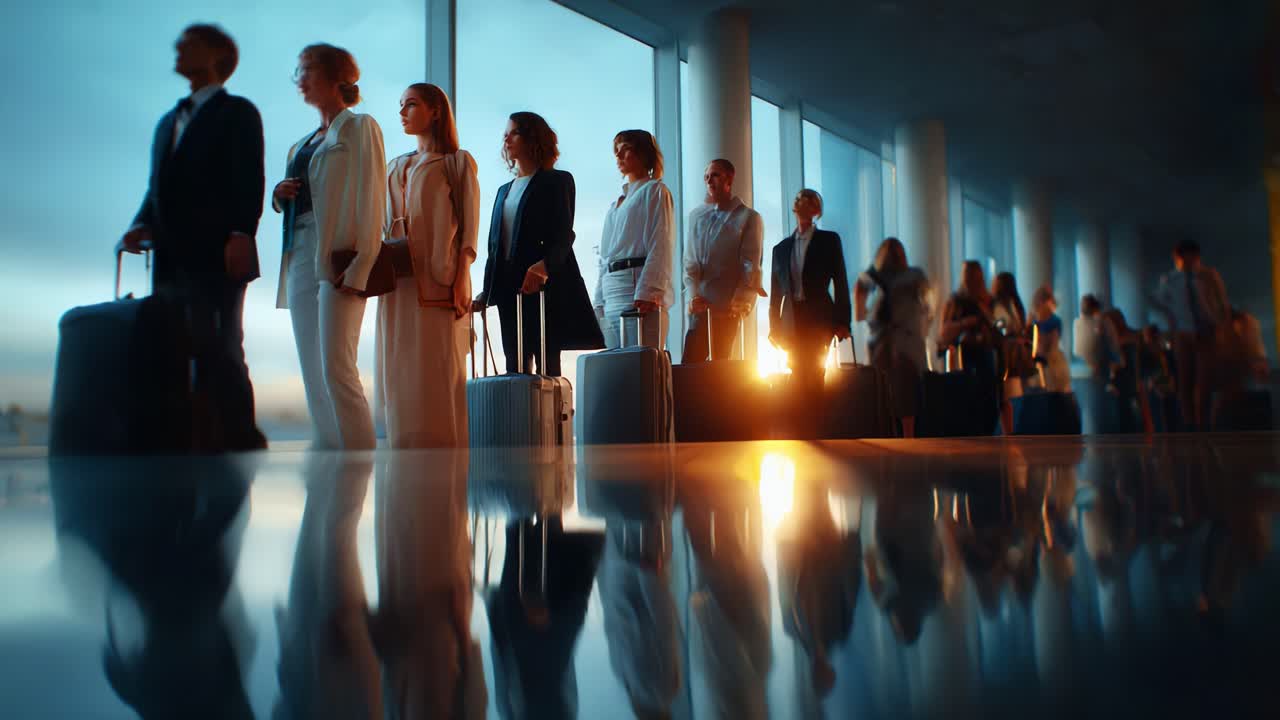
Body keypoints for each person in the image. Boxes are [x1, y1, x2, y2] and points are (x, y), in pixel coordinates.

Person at [118, 24, 267, 450]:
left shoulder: (238, 111)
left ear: (218, 55)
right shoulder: (168, 121)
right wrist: (139, 222)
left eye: (190, 42)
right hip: (169, 251)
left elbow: (248, 177)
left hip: (218, 250)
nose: (178, 47)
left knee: (220, 343)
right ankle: (181, 438)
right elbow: (157, 186)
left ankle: (241, 441)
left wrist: (241, 234)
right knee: (171, 343)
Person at [272, 44, 385, 450]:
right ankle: (328, 456)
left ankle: (357, 459)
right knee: (312, 366)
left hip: (338, 251)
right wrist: (279, 194)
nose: (300, 78)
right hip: (300, 248)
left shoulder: (358, 127)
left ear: (336, 76)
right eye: (297, 71)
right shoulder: (303, 141)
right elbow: (307, 191)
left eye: (308, 70)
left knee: (336, 365)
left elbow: (371, 198)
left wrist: (361, 265)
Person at [375, 83, 479, 449]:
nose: (402, 112)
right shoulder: (394, 165)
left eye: (412, 105)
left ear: (435, 110)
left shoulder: (456, 162)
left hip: (439, 275)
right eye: (401, 105)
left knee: (438, 363)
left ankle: (443, 452)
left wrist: (462, 276)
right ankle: (403, 447)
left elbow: (469, 226)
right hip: (396, 276)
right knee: (398, 361)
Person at [475, 111, 604, 376]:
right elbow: (495, 247)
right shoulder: (503, 190)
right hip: (508, 284)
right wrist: (486, 291)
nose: (506, 139)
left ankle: (547, 417)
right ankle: (520, 417)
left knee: (547, 360)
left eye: (514, 133)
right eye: (506, 134)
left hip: (542, 283)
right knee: (514, 362)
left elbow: (564, 235)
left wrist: (544, 267)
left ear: (532, 138)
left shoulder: (557, 180)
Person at [769, 189, 852, 434]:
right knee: (796, 373)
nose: (803, 205)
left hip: (819, 317)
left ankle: (816, 429)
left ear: (817, 211)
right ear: (794, 209)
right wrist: (774, 327)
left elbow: (841, 281)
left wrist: (842, 321)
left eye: (809, 202)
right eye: (799, 201)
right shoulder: (781, 248)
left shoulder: (829, 240)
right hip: (792, 320)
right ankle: (801, 431)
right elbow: (776, 294)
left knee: (815, 373)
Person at [594, 130, 675, 350]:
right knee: (616, 366)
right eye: (616, 151)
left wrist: (651, 289)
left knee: (640, 365)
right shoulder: (616, 204)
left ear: (643, 153)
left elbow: (661, 241)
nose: (619, 156)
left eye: (626, 149)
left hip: (636, 287)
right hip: (612, 290)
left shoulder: (655, 190)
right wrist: (599, 298)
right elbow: (605, 255)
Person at [681, 158, 765, 362]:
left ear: (729, 179)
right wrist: (693, 297)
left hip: (727, 309)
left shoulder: (748, 217)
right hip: (700, 308)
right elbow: (690, 262)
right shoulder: (696, 216)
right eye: (707, 177)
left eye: (715, 175)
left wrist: (739, 304)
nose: (710, 181)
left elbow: (750, 263)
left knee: (722, 372)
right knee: (689, 369)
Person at [1149, 240, 1230, 430]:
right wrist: (1169, 319)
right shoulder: (1170, 279)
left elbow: (1221, 301)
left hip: (1205, 330)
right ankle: (1189, 423)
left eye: (1188, 257)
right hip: (1183, 332)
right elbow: (1158, 301)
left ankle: (1203, 422)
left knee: (1204, 380)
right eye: (1180, 258)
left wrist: (1221, 324)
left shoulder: (1208, 276)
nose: (1184, 262)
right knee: (1184, 380)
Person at [854, 237, 930, 438]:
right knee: (886, 389)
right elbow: (860, 290)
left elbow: (927, 304)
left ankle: (906, 436)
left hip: (904, 341)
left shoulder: (912, 276)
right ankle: (895, 434)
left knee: (905, 391)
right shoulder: (876, 276)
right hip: (884, 340)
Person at [938, 261, 1000, 433]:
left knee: (982, 405)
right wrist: (967, 323)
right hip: (965, 357)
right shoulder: (956, 301)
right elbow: (944, 333)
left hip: (982, 358)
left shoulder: (987, 301)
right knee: (972, 405)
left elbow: (997, 327)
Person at [991, 272, 1032, 434]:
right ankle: (1010, 432)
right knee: (1010, 396)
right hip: (1012, 356)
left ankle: (1009, 432)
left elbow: (1002, 328)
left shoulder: (1001, 306)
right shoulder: (1014, 305)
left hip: (1008, 356)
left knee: (1007, 396)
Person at [1029, 286, 1071, 392]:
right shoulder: (1045, 321)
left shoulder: (1044, 322)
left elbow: (1051, 344)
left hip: (1049, 361)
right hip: (1047, 360)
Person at [1073, 294, 1122, 379]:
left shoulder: (1078, 323)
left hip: (1090, 365)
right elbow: (1114, 344)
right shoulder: (1102, 322)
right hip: (1101, 365)